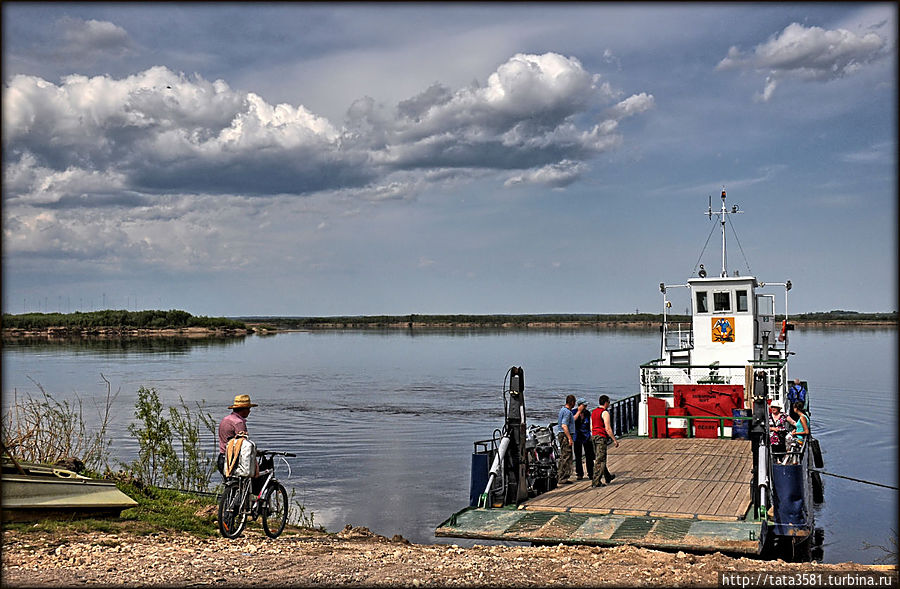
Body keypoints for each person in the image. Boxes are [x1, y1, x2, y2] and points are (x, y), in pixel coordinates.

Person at [217, 394, 257, 477]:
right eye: (248, 409)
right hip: (233, 460)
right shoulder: (238, 423)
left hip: (222, 457)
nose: (249, 411)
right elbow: (242, 445)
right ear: (243, 410)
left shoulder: (226, 419)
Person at [590, 395, 619, 488]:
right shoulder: (605, 413)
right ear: (606, 403)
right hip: (601, 437)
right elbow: (608, 428)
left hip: (594, 436)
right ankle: (596, 481)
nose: (609, 404)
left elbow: (591, 427)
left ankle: (608, 476)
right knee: (600, 459)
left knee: (599, 457)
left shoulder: (593, 412)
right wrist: (614, 440)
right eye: (609, 402)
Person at [572, 398, 595, 481]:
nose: (585, 407)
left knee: (589, 455)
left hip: (586, 436)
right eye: (584, 405)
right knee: (578, 456)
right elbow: (573, 420)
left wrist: (591, 434)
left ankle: (591, 473)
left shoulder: (587, 413)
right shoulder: (573, 412)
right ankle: (579, 473)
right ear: (579, 405)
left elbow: (589, 423)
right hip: (577, 436)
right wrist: (579, 412)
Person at [556, 395, 576, 485]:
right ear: (572, 402)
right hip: (565, 435)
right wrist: (569, 438)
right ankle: (563, 477)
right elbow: (564, 425)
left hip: (561, 434)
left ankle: (560, 475)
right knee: (566, 456)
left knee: (563, 456)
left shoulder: (562, 410)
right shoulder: (567, 412)